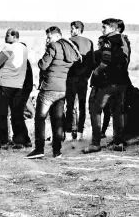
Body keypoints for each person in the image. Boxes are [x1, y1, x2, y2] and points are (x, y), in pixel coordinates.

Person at [25, 26, 81, 159]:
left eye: (49, 37)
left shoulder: (53, 46)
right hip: (62, 89)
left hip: (49, 88)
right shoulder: (71, 49)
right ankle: (57, 151)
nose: (47, 39)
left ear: (56, 36)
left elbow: (43, 65)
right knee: (57, 120)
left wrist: (42, 57)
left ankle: (39, 149)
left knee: (40, 118)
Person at [82, 18, 131, 154]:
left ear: (112, 28)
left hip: (108, 82)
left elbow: (105, 61)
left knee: (95, 109)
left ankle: (95, 143)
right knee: (117, 112)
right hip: (122, 81)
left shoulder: (108, 41)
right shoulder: (125, 40)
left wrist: (97, 71)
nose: (102, 30)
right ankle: (118, 142)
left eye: (104, 27)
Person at [0, 28, 30, 150]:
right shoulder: (24, 49)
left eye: (7, 35)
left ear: (14, 36)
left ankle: (3, 141)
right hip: (18, 85)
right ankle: (19, 140)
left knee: (2, 114)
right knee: (17, 114)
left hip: (5, 84)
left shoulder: (9, 48)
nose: (5, 37)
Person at [64, 21, 95, 141]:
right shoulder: (89, 42)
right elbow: (92, 63)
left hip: (70, 78)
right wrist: (86, 76)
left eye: (72, 29)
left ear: (77, 29)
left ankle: (68, 134)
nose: (70, 31)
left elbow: (66, 61)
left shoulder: (68, 42)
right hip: (83, 79)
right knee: (82, 106)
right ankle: (80, 134)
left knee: (70, 106)